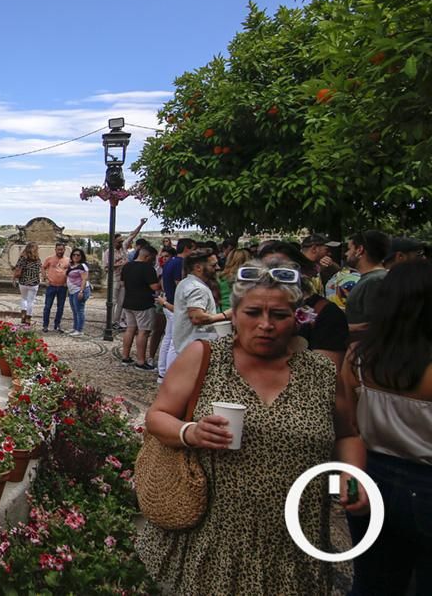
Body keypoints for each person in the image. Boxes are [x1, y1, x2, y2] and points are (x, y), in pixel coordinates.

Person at [136, 259, 361, 595]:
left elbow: (348, 435)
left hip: (296, 540)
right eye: (253, 313)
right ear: (234, 314)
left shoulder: (322, 373)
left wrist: (351, 478)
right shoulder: (205, 357)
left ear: (297, 317)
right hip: (212, 539)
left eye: (279, 315)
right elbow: (158, 416)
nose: (265, 325)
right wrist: (190, 432)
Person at [341, 261, 432, 595]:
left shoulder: (359, 358)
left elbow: (350, 427)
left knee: (373, 581)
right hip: (425, 481)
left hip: (371, 474)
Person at [260, 242, 349, 369]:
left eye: (283, 271)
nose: (272, 276)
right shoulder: (257, 312)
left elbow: (327, 374)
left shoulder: (326, 313)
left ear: (302, 272)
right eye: (264, 271)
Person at [160, 250, 228, 378]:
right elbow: (197, 317)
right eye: (213, 265)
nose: (218, 268)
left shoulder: (186, 283)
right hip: (195, 349)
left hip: (189, 347)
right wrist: (226, 315)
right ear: (198, 268)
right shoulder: (197, 288)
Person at [158, 238, 196, 378]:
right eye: (193, 249)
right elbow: (180, 284)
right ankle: (169, 374)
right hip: (175, 306)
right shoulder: (180, 263)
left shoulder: (170, 261)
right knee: (175, 342)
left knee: (168, 339)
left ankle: (162, 371)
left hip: (168, 302)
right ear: (187, 248)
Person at [120, 244, 160, 369]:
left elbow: (123, 283)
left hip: (128, 302)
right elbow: (155, 287)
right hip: (144, 304)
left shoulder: (127, 266)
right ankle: (141, 361)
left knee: (130, 329)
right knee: (143, 332)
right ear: (148, 256)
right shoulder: (148, 268)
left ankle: (125, 356)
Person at [106, 218, 148, 331]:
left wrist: (141, 224)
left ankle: (117, 321)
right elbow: (106, 266)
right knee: (113, 301)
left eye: (121, 241)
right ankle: (110, 321)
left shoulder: (123, 247)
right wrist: (120, 264)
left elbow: (133, 235)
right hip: (114, 278)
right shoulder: (108, 252)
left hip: (124, 279)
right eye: (119, 241)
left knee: (121, 302)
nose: (121, 243)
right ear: (113, 242)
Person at [344, 230, 389, 334]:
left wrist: (341, 327)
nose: (346, 253)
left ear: (359, 250)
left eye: (349, 249)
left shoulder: (375, 281)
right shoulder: (372, 279)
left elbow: (376, 324)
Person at [41, 242, 69, 333]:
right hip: (51, 286)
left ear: (64, 250)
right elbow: (43, 267)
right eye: (58, 249)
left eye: (62, 249)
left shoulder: (68, 260)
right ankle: (45, 325)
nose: (60, 251)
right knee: (47, 306)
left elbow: (70, 272)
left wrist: (67, 282)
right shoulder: (49, 259)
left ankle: (57, 325)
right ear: (55, 250)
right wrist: (45, 278)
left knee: (60, 307)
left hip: (62, 287)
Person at [12, 243, 42, 326]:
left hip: (23, 282)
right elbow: (39, 270)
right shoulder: (37, 259)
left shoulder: (22, 258)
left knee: (24, 298)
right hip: (34, 282)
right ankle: (28, 318)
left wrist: (14, 278)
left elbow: (17, 269)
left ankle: (23, 315)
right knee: (31, 301)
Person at [64, 249, 90, 337]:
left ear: (81, 256)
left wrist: (81, 291)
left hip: (79, 290)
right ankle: (75, 328)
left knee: (79, 310)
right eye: (74, 254)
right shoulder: (71, 265)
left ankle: (79, 330)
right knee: (75, 310)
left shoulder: (82, 266)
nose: (76, 256)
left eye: (78, 255)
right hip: (72, 291)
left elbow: (84, 279)